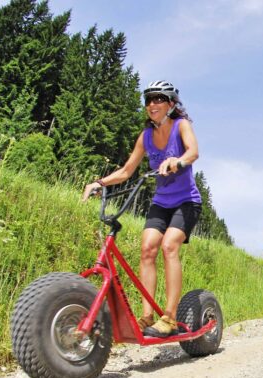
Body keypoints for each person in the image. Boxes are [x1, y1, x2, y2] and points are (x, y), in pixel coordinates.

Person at [82, 80, 203, 337]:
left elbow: (193, 152)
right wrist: (99, 183)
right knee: (147, 248)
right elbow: (127, 171)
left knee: (169, 246)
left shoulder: (181, 126)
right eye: (148, 100)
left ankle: (169, 318)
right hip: (161, 201)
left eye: (158, 99)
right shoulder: (145, 136)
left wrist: (177, 160)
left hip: (187, 201)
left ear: (171, 104)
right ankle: (147, 317)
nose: (152, 104)